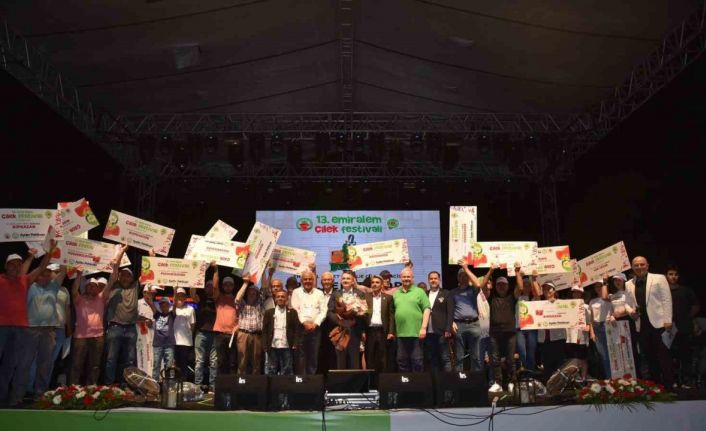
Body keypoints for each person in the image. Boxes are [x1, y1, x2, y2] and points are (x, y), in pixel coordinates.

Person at [1, 244, 55, 406]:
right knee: (6, 365)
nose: (16, 267)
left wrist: (50, 251)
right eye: (12, 264)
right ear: (6, 266)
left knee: (18, 364)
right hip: (2, 328)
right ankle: (1, 396)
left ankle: (16, 398)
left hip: (21, 328)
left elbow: (42, 267)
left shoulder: (25, 280)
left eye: (19, 264)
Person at [625, 256, 674, 388]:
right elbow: (627, 304)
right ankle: (655, 387)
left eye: (642, 264)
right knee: (649, 356)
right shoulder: (628, 284)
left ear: (647, 265)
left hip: (660, 324)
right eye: (636, 265)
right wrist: (631, 312)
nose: (639, 267)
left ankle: (669, 387)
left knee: (664, 356)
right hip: (641, 325)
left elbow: (667, 299)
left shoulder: (659, 278)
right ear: (632, 267)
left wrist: (668, 320)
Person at [26, 260, 67, 398]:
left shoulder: (53, 287)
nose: (45, 277)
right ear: (37, 275)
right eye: (42, 274)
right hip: (31, 329)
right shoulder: (29, 286)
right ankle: (27, 389)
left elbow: (63, 271)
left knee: (45, 363)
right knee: (29, 361)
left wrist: (64, 253)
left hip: (48, 331)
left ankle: (40, 391)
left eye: (48, 275)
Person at [485, 264, 524, 393]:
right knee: (495, 359)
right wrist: (490, 270)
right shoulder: (491, 298)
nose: (501, 286)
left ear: (507, 286)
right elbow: (482, 287)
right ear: (496, 287)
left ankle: (512, 382)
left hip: (510, 332)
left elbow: (520, 288)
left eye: (504, 284)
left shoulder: (512, 297)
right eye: (499, 285)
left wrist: (517, 272)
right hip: (494, 333)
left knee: (511, 359)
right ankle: (498, 383)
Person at [70, 270, 111, 385]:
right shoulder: (79, 299)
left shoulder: (101, 298)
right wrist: (79, 274)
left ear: (98, 289)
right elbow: (74, 290)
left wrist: (115, 266)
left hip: (98, 336)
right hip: (81, 337)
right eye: (90, 285)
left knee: (95, 365)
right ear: (85, 287)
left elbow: (111, 281)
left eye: (95, 286)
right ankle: (73, 388)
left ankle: (92, 387)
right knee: (77, 364)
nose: (92, 287)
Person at [103, 244, 136, 384]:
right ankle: (109, 386)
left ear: (132, 279)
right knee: (111, 359)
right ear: (119, 277)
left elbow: (149, 272)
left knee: (129, 360)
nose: (126, 278)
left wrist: (152, 257)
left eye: (128, 276)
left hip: (131, 328)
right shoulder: (114, 286)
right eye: (123, 275)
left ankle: (127, 386)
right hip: (114, 328)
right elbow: (115, 269)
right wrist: (122, 252)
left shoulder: (136, 287)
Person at [392, 266, 431, 372]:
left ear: (413, 278)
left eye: (408, 277)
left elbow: (427, 309)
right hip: (400, 334)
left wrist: (423, 328)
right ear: (400, 278)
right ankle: (405, 382)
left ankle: (418, 382)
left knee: (417, 361)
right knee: (401, 361)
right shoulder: (396, 293)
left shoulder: (419, 292)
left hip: (416, 333)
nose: (406, 279)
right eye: (404, 277)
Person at [454, 260, 491, 371]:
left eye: (465, 276)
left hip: (474, 324)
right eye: (461, 276)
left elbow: (478, 284)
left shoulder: (474, 290)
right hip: (459, 325)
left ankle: (476, 379)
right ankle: (459, 379)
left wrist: (466, 268)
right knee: (459, 357)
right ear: (458, 278)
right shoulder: (453, 292)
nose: (463, 278)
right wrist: (451, 322)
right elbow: (450, 309)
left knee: (476, 356)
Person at [666, 264, 699, 387]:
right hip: (668, 328)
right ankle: (672, 380)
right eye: (670, 274)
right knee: (669, 356)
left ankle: (686, 380)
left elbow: (695, 306)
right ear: (666, 276)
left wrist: (688, 317)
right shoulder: (663, 291)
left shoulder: (686, 290)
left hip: (684, 327)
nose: (673, 277)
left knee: (685, 355)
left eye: (676, 274)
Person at [290, 270, 327, 374]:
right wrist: (304, 322)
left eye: (310, 279)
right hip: (301, 328)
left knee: (313, 356)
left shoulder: (319, 293)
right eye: (305, 279)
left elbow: (323, 310)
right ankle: (301, 380)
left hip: (315, 329)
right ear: (301, 281)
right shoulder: (296, 292)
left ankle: (312, 380)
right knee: (300, 356)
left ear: (313, 280)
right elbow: (295, 309)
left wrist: (315, 323)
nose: (308, 281)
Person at [328, 270, 367, 369]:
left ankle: (354, 379)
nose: (345, 280)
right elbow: (330, 311)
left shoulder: (360, 294)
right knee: (340, 361)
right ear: (340, 281)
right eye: (343, 278)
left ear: (353, 281)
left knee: (354, 361)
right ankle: (341, 379)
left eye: (348, 278)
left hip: (355, 331)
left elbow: (365, 311)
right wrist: (340, 321)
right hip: (340, 331)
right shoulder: (335, 294)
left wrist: (356, 317)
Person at [609, 273, 640, 376]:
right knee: (620, 349)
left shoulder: (629, 293)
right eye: (615, 280)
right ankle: (624, 374)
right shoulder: (612, 296)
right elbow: (611, 310)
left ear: (624, 281)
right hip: (616, 323)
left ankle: (637, 375)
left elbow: (634, 308)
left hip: (628, 321)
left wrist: (623, 313)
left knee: (631, 348)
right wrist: (612, 316)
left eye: (619, 280)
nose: (617, 282)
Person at [263, 290, 301, 375]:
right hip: (272, 345)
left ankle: (286, 384)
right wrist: (264, 344)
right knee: (272, 369)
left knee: (287, 369)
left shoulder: (293, 312)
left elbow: (296, 329)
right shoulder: (269, 312)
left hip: (287, 345)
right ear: (275, 299)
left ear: (287, 299)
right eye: (278, 297)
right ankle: (271, 384)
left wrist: (295, 343)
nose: (280, 298)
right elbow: (264, 330)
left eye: (283, 297)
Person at [211, 263, 239, 377]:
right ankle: (221, 385)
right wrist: (216, 270)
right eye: (225, 285)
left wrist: (238, 326)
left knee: (233, 362)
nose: (228, 287)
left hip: (233, 335)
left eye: (230, 285)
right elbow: (214, 286)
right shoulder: (219, 297)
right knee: (221, 361)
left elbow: (242, 316)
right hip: (220, 334)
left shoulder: (237, 299)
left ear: (233, 286)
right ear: (222, 286)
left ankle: (232, 385)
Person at [364, 275, 395, 372]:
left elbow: (391, 316)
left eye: (377, 282)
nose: (374, 284)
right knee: (370, 357)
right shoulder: (365, 297)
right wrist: (362, 331)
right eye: (373, 282)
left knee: (383, 358)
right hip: (369, 331)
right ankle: (371, 380)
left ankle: (383, 379)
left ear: (381, 285)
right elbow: (362, 316)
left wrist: (391, 332)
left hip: (383, 331)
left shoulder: (388, 298)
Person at [192, 279, 218, 393]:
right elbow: (192, 294)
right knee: (199, 361)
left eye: (212, 286)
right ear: (205, 288)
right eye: (208, 286)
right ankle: (198, 386)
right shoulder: (201, 299)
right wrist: (193, 279)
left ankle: (213, 386)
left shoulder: (217, 300)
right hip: (201, 333)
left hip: (214, 333)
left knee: (214, 362)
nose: (210, 288)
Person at [537, 282, 566, 380]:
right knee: (547, 365)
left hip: (558, 338)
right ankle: (548, 386)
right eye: (544, 289)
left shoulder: (561, 303)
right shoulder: (538, 304)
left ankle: (560, 385)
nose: (547, 291)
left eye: (549, 288)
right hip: (544, 340)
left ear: (554, 290)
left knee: (559, 365)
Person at [425, 271, 453, 372]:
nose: (433, 280)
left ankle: (448, 380)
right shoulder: (425, 294)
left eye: (435, 278)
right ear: (428, 280)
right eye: (431, 279)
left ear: (439, 280)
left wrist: (448, 329)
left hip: (442, 331)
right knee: (432, 358)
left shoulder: (446, 293)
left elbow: (450, 312)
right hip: (428, 332)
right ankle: (435, 380)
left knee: (445, 357)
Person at [235, 280, 264, 375]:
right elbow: (237, 298)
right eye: (250, 293)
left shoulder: (260, 304)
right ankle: (241, 380)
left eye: (254, 293)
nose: (252, 294)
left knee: (256, 360)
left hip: (257, 335)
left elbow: (264, 289)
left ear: (257, 295)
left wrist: (265, 273)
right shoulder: (242, 303)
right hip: (243, 334)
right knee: (242, 359)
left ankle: (255, 382)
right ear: (246, 294)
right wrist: (246, 283)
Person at [565, 285, 592, 382]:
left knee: (583, 359)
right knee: (572, 359)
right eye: (574, 292)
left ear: (581, 294)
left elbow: (589, 323)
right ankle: (574, 378)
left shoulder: (586, 307)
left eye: (578, 292)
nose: (576, 294)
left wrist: (588, 328)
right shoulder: (567, 306)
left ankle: (583, 379)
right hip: (570, 337)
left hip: (582, 338)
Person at [515, 271, 541, 371]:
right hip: (520, 329)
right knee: (522, 352)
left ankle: (530, 372)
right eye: (524, 284)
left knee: (531, 353)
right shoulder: (518, 297)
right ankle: (526, 370)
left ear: (531, 287)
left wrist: (534, 279)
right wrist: (518, 274)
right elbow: (518, 289)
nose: (526, 287)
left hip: (532, 329)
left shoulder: (534, 298)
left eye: (528, 285)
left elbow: (538, 293)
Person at [146, 296, 176, 381]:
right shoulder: (157, 314)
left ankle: (169, 384)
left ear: (169, 305)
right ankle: (154, 384)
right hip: (158, 344)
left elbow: (175, 304)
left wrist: (175, 291)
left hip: (169, 344)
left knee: (169, 366)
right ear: (160, 306)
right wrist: (149, 294)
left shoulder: (172, 315)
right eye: (162, 304)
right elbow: (151, 304)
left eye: (166, 304)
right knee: (156, 365)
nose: (164, 306)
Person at [589, 280, 615, 378]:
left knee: (612, 353)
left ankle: (616, 377)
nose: (598, 288)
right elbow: (591, 319)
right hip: (597, 328)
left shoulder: (610, 297)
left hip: (608, 326)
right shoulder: (592, 301)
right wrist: (592, 333)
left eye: (600, 286)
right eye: (596, 286)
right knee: (603, 355)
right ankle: (609, 378)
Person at [173, 287, 196, 379]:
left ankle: (183, 382)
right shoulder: (172, 308)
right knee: (174, 364)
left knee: (184, 364)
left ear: (185, 297)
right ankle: (174, 382)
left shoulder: (191, 309)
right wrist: (174, 290)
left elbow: (193, 325)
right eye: (178, 295)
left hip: (186, 342)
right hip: (174, 341)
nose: (180, 297)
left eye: (182, 296)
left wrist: (190, 337)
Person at [317, 271, 337, 373]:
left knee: (333, 354)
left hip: (334, 328)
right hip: (319, 328)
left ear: (333, 281)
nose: (326, 282)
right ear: (321, 281)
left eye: (329, 280)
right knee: (320, 353)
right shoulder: (317, 293)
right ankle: (321, 378)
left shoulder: (338, 293)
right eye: (324, 280)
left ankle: (332, 378)